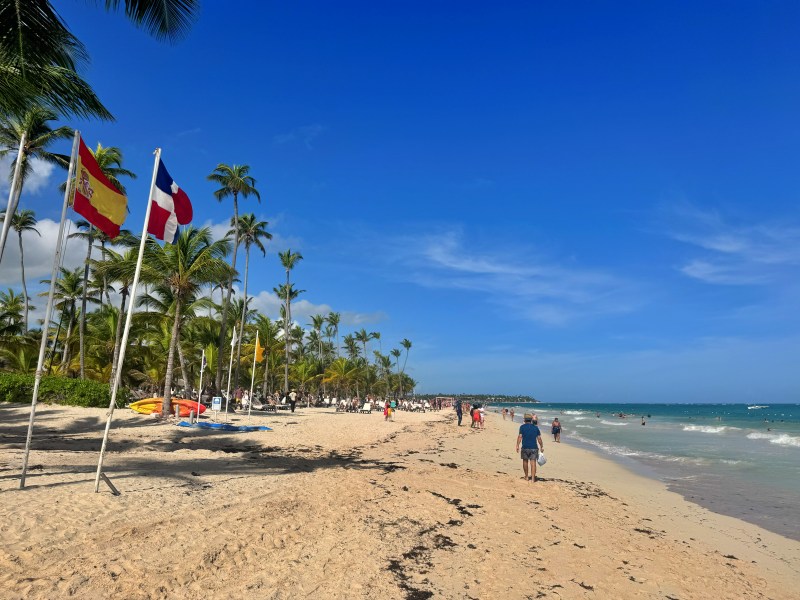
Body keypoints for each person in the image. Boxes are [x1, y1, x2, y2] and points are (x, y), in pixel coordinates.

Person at [515, 413, 544, 482]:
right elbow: (539, 438)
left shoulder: (522, 427)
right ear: (531, 420)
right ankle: (533, 479)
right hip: (534, 447)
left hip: (525, 447)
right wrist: (541, 446)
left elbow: (520, 436)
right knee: (533, 462)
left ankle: (526, 476)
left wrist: (517, 445)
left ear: (524, 419)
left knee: (525, 461)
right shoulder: (535, 427)